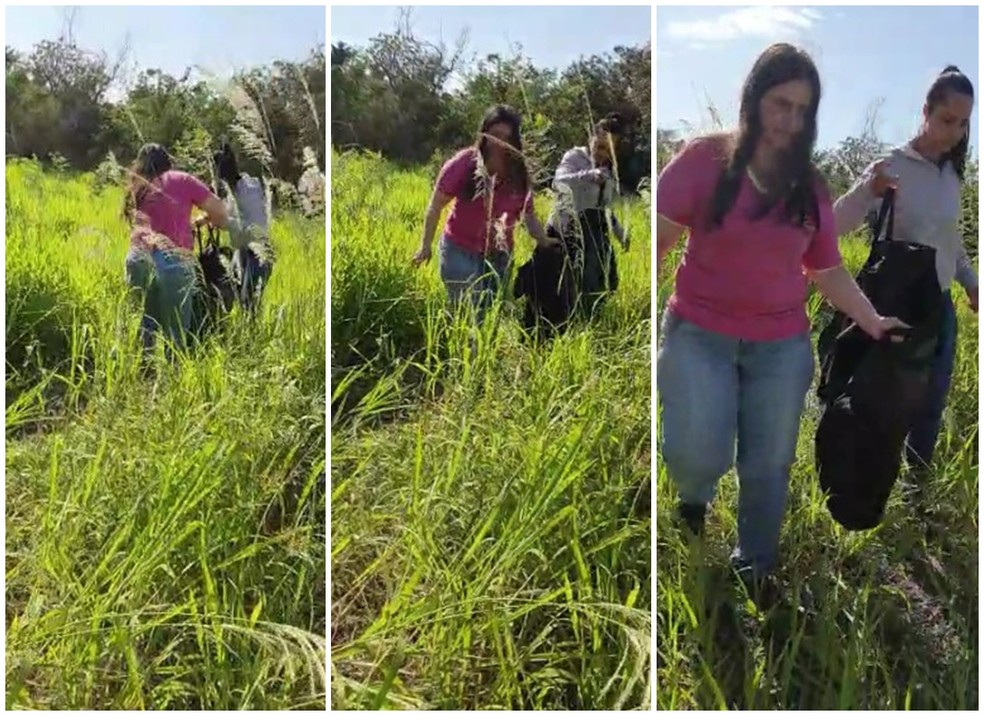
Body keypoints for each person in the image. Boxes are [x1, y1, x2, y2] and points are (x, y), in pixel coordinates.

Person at [655, 43, 907, 586]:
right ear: (752, 100)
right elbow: (659, 238)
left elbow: (829, 270)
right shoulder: (705, 160)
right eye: (780, 104)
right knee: (699, 452)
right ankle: (694, 499)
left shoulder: (810, 189)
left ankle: (755, 570)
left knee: (768, 464)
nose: (790, 121)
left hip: (780, 347)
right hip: (699, 333)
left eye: (802, 109)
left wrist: (872, 319)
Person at [833, 65, 978, 482]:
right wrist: (867, 190)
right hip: (894, 303)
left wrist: (971, 283)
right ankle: (867, 484)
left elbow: (950, 242)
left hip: (940, 306)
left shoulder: (951, 176)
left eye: (964, 123)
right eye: (947, 119)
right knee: (884, 401)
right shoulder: (892, 165)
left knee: (931, 402)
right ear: (925, 111)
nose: (954, 132)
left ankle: (917, 488)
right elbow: (836, 224)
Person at [412, 105, 558, 324]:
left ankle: (481, 354)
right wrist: (425, 246)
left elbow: (528, 216)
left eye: (507, 138)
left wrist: (544, 240)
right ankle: (462, 354)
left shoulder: (519, 172)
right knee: (468, 317)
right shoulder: (465, 163)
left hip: (498, 256)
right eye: (495, 135)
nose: (500, 143)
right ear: (484, 134)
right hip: (460, 251)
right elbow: (435, 206)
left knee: (488, 314)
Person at [123, 143, 229, 357]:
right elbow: (220, 213)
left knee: (147, 321)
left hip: (137, 259)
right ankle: (173, 378)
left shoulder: (138, 186)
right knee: (176, 332)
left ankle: (144, 373)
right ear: (167, 161)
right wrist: (208, 220)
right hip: (173, 259)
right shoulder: (182, 179)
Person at [547, 112, 631, 317]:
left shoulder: (610, 170)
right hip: (566, 229)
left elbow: (604, 207)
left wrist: (620, 233)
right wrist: (588, 175)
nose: (602, 152)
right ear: (591, 139)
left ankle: (590, 323)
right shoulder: (575, 157)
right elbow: (558, 182)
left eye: (609, 149)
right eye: (600, 145)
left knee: (601, 286)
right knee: (565, 289)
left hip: (594, 232)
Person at [212, 143, 274, 315]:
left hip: (257, 254)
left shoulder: (250, 190)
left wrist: (225, 221)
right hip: (242, 253)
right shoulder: (237, 190)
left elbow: (255, 227)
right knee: (236, 300)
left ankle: (253, 339)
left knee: (249, 307)